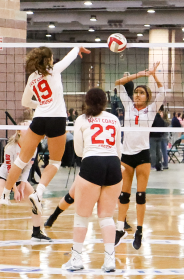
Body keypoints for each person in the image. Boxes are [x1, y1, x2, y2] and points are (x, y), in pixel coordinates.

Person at [4, 45, 90, 216]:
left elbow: (25, 102)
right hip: (57, 120)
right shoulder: (54, 70)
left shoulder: (31, 78)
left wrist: (42, 104)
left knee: (21, 161)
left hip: (39, 119)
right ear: (49, 59)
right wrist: (77, 48)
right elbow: (68, 59)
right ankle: (39, 192)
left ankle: (4, 195)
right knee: (55, 162)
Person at [53, 87, 122, 273]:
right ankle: (109, 261)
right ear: (105, 102)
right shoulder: (114, 119)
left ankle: (76, 259)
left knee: (82, 216)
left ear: (87, 102)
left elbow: (78, 151)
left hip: (93, 163)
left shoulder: (81, 119)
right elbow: (118, 149)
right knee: (107, 216)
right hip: (114, 165)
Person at [114, 63, 166, 249]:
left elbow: (162, 91)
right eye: (136, 92)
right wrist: (138, 74)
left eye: (142, 93)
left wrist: (154, 76)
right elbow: (118, 84)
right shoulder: (128, 105)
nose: (137, 95)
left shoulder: (151, 110)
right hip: (126, 155)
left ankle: (140, 231)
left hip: (143, 155)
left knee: (141, 195)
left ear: (147, 97)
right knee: (124, 195)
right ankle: (119, 229)